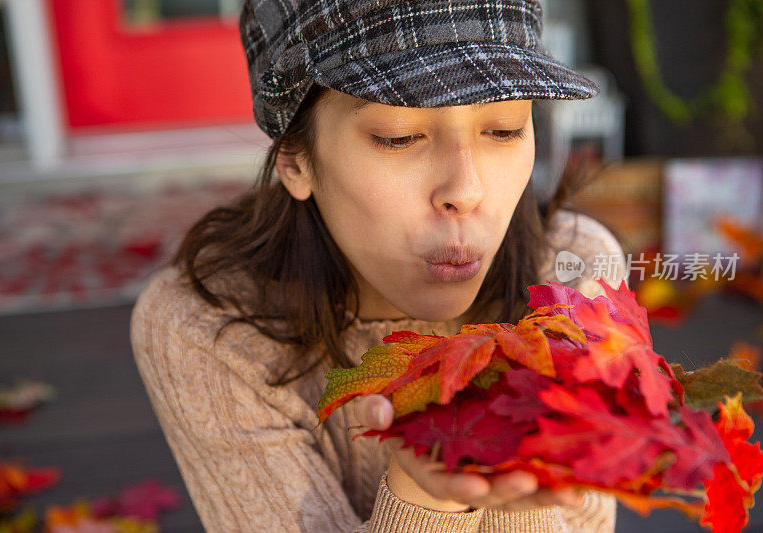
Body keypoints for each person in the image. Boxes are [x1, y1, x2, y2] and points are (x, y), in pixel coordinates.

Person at [130, 0, 627, 531]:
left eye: (503, 129)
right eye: (399, 137)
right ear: (297, 162)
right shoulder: (209, 329)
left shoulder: (574, 278)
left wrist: (521, 483)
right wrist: (421, 498)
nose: (466, 190)